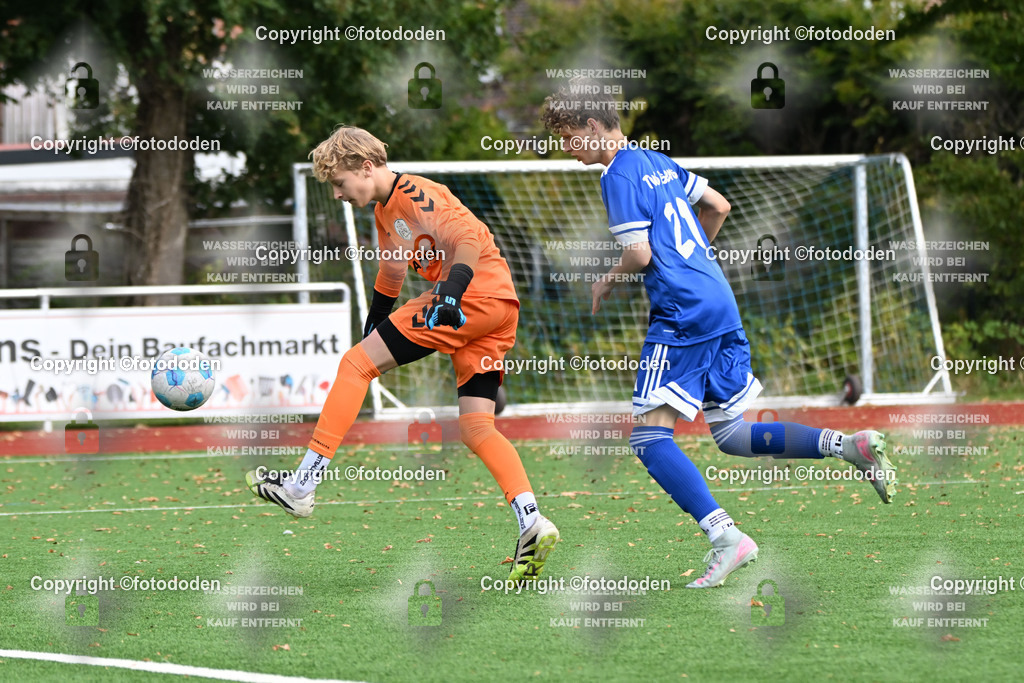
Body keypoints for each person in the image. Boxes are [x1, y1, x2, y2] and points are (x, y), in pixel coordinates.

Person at [541, 80, 897, 588]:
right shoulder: (657, 160)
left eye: (571, 139)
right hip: (719, 300)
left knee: (648, 438)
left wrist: (608, 280)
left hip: (682, 312)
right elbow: (720, 206)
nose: (569, 152)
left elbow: (641, 255)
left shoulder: (617, 175)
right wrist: (692, 261)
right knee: (731, 434)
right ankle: (847, 445)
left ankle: (727, 538)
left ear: (593, 127)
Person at [246, 126, 558, 583]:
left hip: (470, 295)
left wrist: (450, 293)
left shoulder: (415, 193)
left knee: (355, 365)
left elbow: (468, 238)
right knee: (476, 426)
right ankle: (532, 521)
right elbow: (392, 269)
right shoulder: (385, 212)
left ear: (366, 167)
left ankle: (301, 486)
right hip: (498, 305)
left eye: (338, 183)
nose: (336, 194)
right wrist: (377, 319)